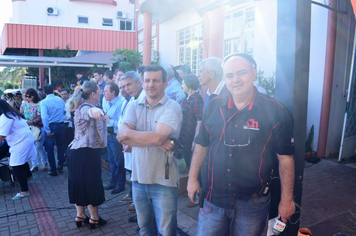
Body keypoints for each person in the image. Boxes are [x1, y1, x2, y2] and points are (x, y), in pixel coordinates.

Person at [187, 53, 295, 236]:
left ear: (254, 74)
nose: (235, 80)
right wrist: (192, 179)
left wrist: (287, 200)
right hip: (214, 199)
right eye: (229, 75)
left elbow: (285, 159)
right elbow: (201, 145)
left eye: (241, 73)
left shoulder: (276, 111)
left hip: (252, 202)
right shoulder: (213, 107)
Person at [117, 65, 182, 235]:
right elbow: (121, 138)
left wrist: (131, 135)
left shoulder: (172, 107)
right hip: (138, 179)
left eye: (156, 80)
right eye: (147, 80)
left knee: (166, 232)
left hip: (164, 181)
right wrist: (155, 140)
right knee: (145, 229)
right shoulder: (134, 105)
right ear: (142, 82)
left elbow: (158, 137)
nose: (150, 84)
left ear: (165, 83)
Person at [66, 81, 107, 229]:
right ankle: (94, 218)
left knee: (78, 183)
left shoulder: (80, 106)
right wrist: (95, 112)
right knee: (90, 184)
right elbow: (88, 113)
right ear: (93, 94)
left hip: (76, 152)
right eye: (99, 91)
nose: (101, 93)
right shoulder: (86, 108)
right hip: (86, 153)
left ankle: (80, 215)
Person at [118, 71, 144, 214]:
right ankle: (139, 211)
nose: (126, 88)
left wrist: (130, 141)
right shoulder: (133, 99)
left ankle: (140, 212)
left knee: (141, 180)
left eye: (129, 84)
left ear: (139, 82)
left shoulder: (144, 98)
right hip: (132, 146)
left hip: (142, 147)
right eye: (124, 85)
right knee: (135, 176)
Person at [0, 100, 36, 200]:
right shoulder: (12, 114)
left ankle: (24, 191)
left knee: (16, 164)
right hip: (24, 140)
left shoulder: (5, 117)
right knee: (21, 161)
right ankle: (28, 176)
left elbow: (2, 136)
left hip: (21, 142)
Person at [102, 82, 125, 194]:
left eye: (106, 91)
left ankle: (120, 184)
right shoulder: (108, 104)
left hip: (116, 136)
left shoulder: (120, 104)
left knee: (118, 161)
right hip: (109, 135)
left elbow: (122, 123)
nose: (103, 93)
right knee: (111, 161)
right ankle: (113, 182)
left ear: (113, 92)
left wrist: (109, 121)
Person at [179, 74, 204, 171]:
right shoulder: (187, 98)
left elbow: (200, 120)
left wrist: (195, 140)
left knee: (193, 167)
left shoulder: (196, 98)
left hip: (191, 139)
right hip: (185, 139)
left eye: (183, 83)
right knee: (188, 165)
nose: (182, 86)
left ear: (189, 84)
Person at [20, 88, 48, 172]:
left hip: (39, 127)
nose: (27, 98)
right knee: (31, 147)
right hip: (28, 128)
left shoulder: (39, 104)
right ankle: (34, 164)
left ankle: (44, 162)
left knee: (39, 146)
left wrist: (31, 121)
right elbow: (21, 114)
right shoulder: (24, 105)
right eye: (26, 96)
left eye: (29, 96)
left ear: (34, 96)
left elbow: (40, 116)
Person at [40, 85, 65, 176]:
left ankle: (53, 169)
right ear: (53, 90)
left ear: (44, 92)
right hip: (61, 124)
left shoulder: (44, 102)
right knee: (60, 146)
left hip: (51, 126)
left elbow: (44, 117)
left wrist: (47, 130)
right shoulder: (60, 100)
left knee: (50, 149)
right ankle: (61, 164)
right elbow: (64, 112)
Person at [61, 89, 74, 166]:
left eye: (65, 94)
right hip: (63, 123)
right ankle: (65, 158)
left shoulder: (71, 102)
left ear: (68, 94)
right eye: (62, 94)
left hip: (69, 125)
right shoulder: (61, 102)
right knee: (64, 143)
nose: (63, 96)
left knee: (69, 142)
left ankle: (69, 158)